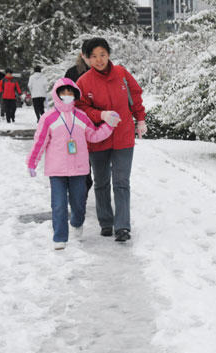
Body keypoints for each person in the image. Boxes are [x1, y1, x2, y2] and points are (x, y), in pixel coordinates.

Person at [26, 78, 121, 250]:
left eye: (70, 93)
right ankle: (60, 238)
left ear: (75, 94)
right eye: (63, 92)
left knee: (78, 203)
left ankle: (77, 222)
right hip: (57, 170)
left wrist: (110, 125)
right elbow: (40, 141)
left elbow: (93, 136)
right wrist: (32, 162)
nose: (67, 96)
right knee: (59, 204)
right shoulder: (49, 118)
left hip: (79, 170)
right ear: (57, 94)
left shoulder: (82, 116)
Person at [76, 37, 147, 242]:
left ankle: (122, 226)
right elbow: (81, 109)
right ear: (87, 59)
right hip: (98, 139)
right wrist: (101, 116)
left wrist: (140, 119)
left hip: (123, 137)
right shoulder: (84, 82)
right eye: (94, 57)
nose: (99, 60)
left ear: (108, 54)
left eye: (103, 55)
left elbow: (135, 96)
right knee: (101, 182)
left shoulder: (121, 74)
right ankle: (106, 222)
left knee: (121, 182)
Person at [65, 39, 94, 198]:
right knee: (81, 161)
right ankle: (80, 193)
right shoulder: (73, 72)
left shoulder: (104, 72)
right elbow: (64, 97)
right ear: (82, 55)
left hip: (98, 124)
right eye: (89, 54)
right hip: (77, 125)